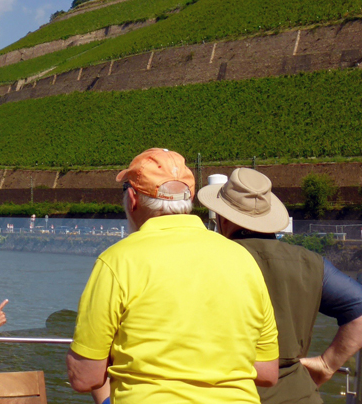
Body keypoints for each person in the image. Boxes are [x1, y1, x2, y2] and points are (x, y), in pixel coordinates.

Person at [66, 148, 279, 404]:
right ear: (189, 200)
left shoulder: (117, 260)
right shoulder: (243, 259)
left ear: (132, 198)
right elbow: (267, 372)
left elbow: (84, 378)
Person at [199, 167, 362, 404]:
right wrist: (326, 365)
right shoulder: (312, 263)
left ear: (223, 218)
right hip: (300, 395)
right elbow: (359, 310)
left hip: (232, 394)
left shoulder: (209, 260)